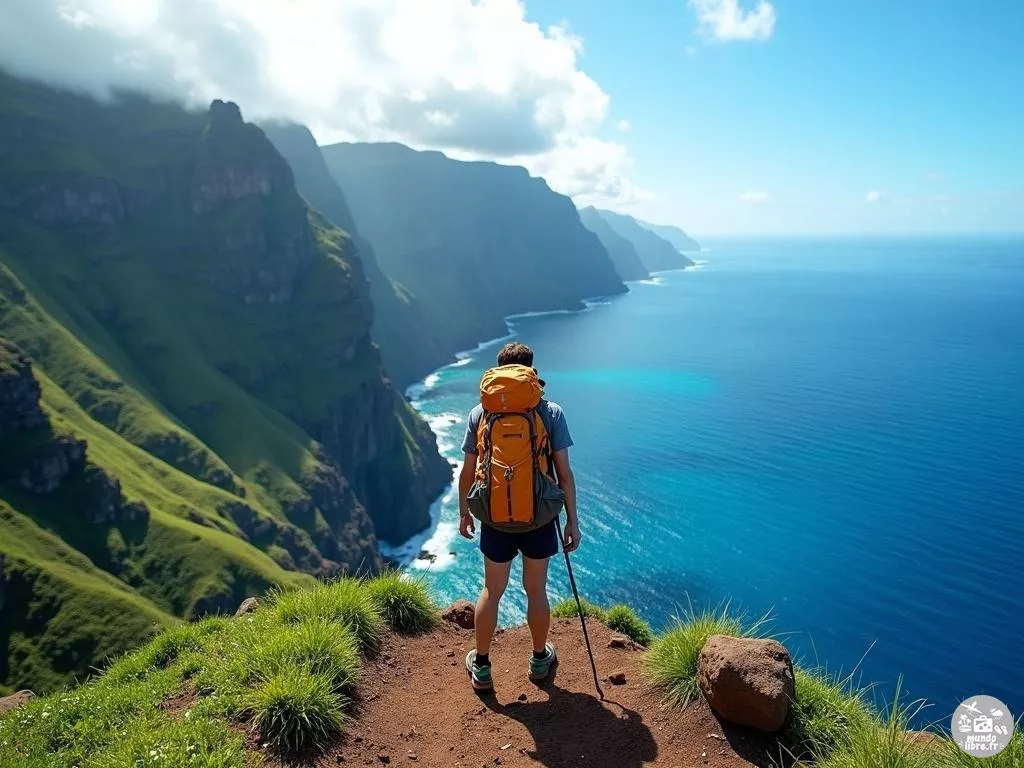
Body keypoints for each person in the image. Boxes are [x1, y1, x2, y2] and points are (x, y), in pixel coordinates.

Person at [458, 341, 581, 692]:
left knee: (492, 590)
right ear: (532, 372)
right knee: (536, 589)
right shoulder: (551, 412)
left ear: (498, 371)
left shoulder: (481, 413)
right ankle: (540, 659)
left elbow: (468, 471)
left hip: (495, 517)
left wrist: (464, 512)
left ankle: (482, 666)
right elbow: (564, 474)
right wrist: (572, 522)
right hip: (539, 517)